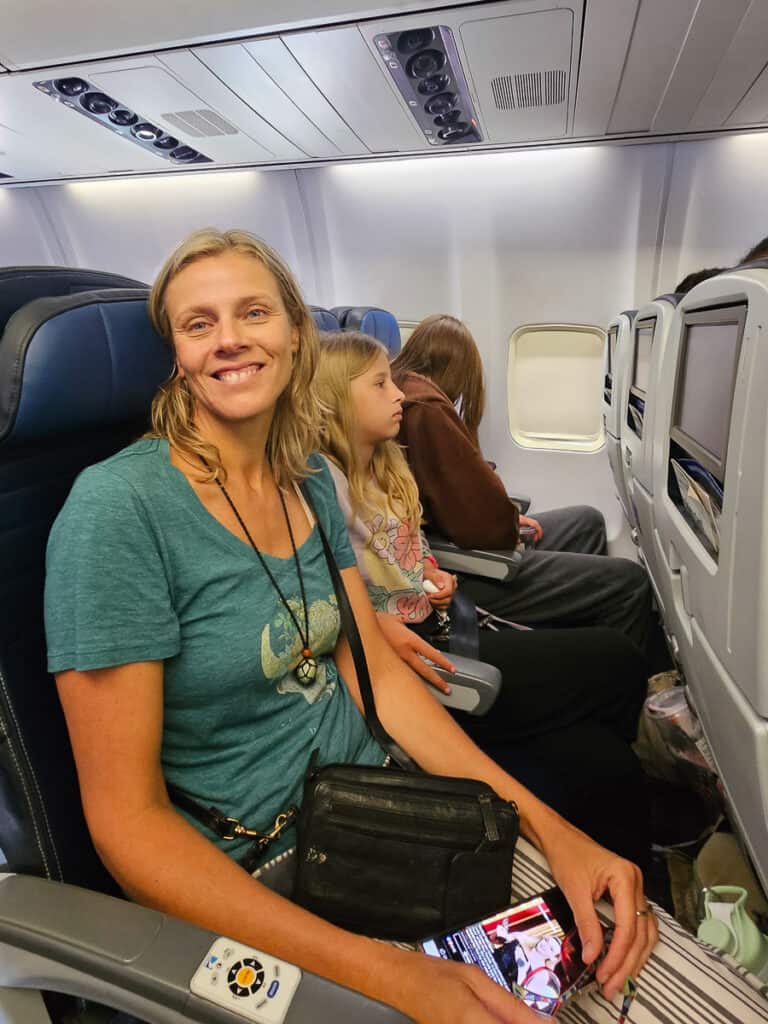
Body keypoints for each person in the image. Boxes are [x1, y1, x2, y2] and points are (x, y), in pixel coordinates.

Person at [45, 229, 656, 1024]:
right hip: (266, 862)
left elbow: (381, 679)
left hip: (371, 805)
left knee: (599, 773)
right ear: (178, 355)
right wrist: (393, 978)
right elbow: (128, 827)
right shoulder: (117, 512)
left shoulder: (304, 477)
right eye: (199, 324)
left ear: (296, 337)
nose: (229, 339)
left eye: (253, 313)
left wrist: (550, 831)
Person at [314, 330, 652, 867]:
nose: (399, 393)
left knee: (608, 755)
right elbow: (332, 592)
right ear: (332, 401)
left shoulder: (386, 461)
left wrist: (433, 572)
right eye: (380, 384)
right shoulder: (322, 484)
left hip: (441, 620)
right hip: (415, 658)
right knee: (619, 661)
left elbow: (414, 544)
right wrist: (383, 621)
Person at [390, 314, 655, 651]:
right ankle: (621, 671)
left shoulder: (410, 395)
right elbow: (477, 522)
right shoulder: (425, 410)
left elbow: (457, 494)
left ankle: (573, 637)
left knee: (587, 521)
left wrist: (508, 515)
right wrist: (508, 524)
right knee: (630, 582)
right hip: (469, 566)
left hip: (462, 544)